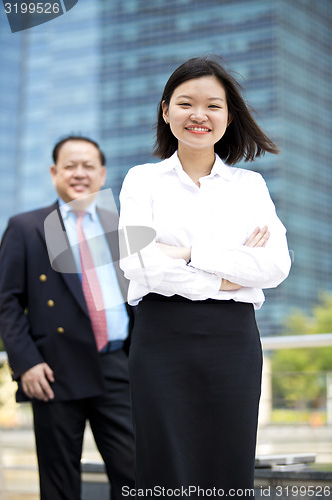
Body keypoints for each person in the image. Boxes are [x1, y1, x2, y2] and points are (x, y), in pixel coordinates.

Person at [119, 57, 291, 497]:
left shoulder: (249, 187)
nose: (200, 115)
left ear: (228, 116)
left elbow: (274, 267)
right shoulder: (142, 180)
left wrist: (189, 253)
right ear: (165, 111)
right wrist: (228, 276)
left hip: (232, 341)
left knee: (228, 468)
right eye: (186, 103)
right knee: (164, 469)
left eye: (213, 106)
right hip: (161, 338)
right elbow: (139, 265)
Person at [0, 136, 135, 500]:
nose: (80, 173)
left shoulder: (118, 224)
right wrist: (26, 363)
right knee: (59, 483)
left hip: (120, 367)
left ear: (102, 173)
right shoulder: (29, 226)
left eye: (88, 166)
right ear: (54, 172)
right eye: (70, 165)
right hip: (54, 371)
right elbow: (6, 301)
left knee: (136, 474)